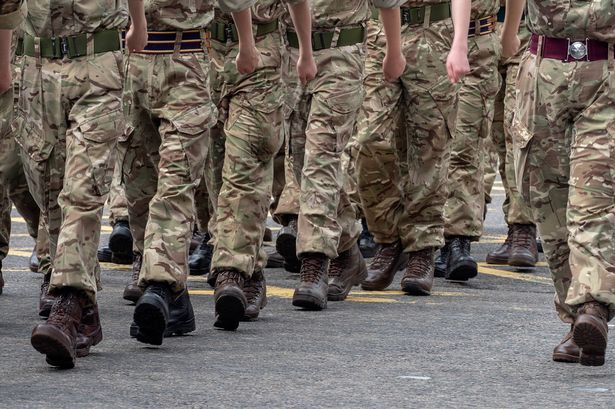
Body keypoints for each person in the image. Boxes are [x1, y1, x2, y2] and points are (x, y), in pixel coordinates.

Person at [122, 0, 258, 347]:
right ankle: (174, 295)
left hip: (186, 64)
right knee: (139, 185)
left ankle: (160, 284)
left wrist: (246, 46)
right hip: (133, 67)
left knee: (175, 183)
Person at [503, 0, 615, 366]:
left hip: (606, 72)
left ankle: (593, 305)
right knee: (548, 199)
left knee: (593, 195)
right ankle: (576, 318)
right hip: (543, 69)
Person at [206, 0, 314, 330]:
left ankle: (233, 272)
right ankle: (248, 268)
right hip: (203, 52)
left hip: (259, 56)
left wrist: (306, 52)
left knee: (246, 165)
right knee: (216, 167)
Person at [355, 0, 471, 295]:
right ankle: (388, 238)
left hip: (434, 32)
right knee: (370, 140)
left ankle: (422, 249)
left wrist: (459, 43)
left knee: (429, 148)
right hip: (379, 33)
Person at [437, 0, 501, 281]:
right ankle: (402, 239)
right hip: (426, 37)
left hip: (477, 43)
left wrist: (509, 31)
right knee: (420, 145)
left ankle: (456, 241)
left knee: (465, 145)